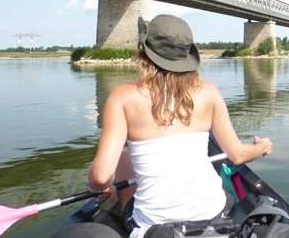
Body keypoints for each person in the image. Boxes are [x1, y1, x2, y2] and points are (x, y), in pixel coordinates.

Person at [87, 14, 272, 237]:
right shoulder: (209, 92)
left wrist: (101, 186)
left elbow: (99, 177)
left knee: (122, 159)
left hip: (154, 227)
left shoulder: (122, 98)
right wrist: (262, 147)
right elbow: (238, 155)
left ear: (143, 52)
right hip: (213, 215)